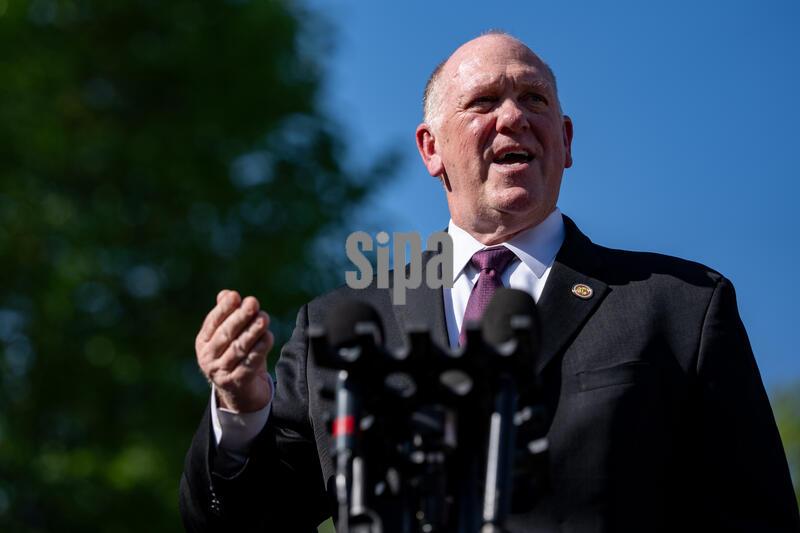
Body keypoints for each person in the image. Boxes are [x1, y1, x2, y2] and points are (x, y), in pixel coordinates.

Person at [179, 32, 800, 532]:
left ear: (566, 140)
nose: (514, 117)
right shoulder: (338, 325)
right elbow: (243, 520)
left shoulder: (678, 306)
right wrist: (241, 410)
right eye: (483, 103)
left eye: (535, 100)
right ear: (432, 149)